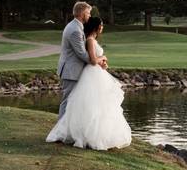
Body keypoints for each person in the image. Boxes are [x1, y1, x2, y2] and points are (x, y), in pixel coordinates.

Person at [46, 15, 132, 150]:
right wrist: (102, 57)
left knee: (99, 105)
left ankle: (98, 134)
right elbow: (92, 60)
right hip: (91, 74)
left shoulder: (91, 39)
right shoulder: (90, 40)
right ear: (97, 27)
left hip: (96, 73)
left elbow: (95, 60)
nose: (103, 28)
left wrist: (102, 63)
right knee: (91, 105)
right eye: (102, 25)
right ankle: (86, 135)